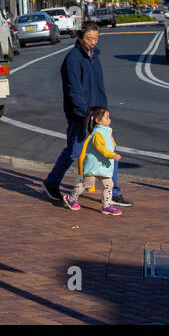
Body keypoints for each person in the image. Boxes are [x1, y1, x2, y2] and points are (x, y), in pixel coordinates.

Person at [41, 24, 133, 206]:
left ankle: (113, 192)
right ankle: (52, 183)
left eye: (96, 39)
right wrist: (86, 115)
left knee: (109, 151)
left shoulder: (94, 56)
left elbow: (99, 87)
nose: (93, 43)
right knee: (74, 151)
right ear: (80, 38)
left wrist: (103, 112)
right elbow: (73, 90)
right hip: (81, 116)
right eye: (89, 39)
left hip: (98, 115)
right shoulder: (73, 59)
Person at [63, 107, 123, 216]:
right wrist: (112, 154)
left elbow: (111, 143)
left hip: (104, 165)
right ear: (97, 120)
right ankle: (71, 198)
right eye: (107, 118)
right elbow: (100, 148)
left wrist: (113, 143)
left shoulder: (107, 130)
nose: (110, 120)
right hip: (94, 165)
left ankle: (107, 206)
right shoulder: (97, 133)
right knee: (87, 183)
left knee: (109, 184)